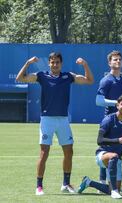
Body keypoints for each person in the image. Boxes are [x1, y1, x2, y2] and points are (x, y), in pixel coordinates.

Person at [16, 52, 94, 195]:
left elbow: (89, 80)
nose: (55, 64)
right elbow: (20, 78)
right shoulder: (41, 76)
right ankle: (39, 186)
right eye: (52, 62)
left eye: (57, 62)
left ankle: (66, 183)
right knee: (44, 153)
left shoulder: (68, 76)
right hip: (47, 120)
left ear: (61, 63)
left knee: (69, 152)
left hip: (63, 120)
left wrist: (85, 65)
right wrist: (28, 63)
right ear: (49, 63)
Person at [77, 95, 122, 199]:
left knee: (110, 189)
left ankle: (89, 182)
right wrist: (118, 140)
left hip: (117, 159)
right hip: (102, 155)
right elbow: (99, 140)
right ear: (117, 105)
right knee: (114, 156)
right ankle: (115, 191)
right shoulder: (108, 119)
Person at [95, 50, 122, 192]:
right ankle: (102, 181)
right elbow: (98, 101)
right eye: (114, 59)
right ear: (109, 63)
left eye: (119, 59)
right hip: (110, 119)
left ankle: (114, 181)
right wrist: (118, 104)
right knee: (107, 149)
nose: (117, 61)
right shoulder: (106, 80)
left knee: (119, 148)